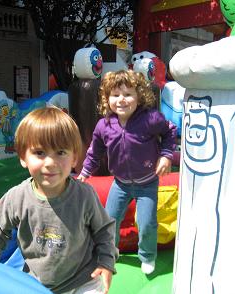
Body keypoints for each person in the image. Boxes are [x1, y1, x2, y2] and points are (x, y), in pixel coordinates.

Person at [0, 107, 118, 294]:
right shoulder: (17, 198)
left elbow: (103, 229)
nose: (50, 163)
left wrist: (106, 261)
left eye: (61, 152)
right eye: (39, 153)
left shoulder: (84, 196)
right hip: (37, 282)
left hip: (83, 279)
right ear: (23, 157)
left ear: (74, 158)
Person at [77, 70, 177, 275]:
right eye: (115, 95)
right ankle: (110, 253)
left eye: (128, 94)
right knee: (109, 220)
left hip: (147, 183)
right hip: (120, 183)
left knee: (147, 222)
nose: (121, 100)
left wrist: (166, 155)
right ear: (107, 99)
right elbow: (94, 152)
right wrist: (85, 171)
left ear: (139, 96)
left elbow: (169, 131)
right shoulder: (104, 125)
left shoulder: (150, 119)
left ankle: (147, 256)